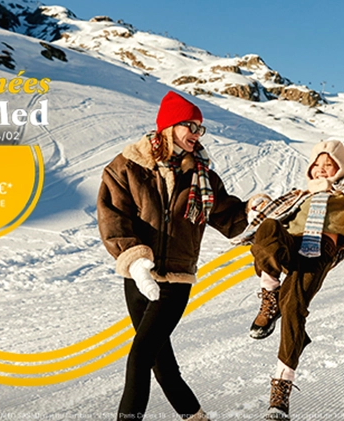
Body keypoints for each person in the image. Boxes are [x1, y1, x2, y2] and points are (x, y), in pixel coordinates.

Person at [98, 91, 258, 421]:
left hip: (176, 279)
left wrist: (250, 209)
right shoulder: (128, 167)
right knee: (161, 362)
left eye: (200, 130)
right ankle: (196, 417)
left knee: (141, 355)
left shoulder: (202, 176)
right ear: (170, 126)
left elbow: (228, 220)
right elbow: (113, 215)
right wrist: (136, 259)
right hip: (138, 276)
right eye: (191, 127)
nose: (197, 136)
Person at [232, 138, 344, 420]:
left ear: (340, 167)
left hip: (319, 250)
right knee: (268, 228)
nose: (322, 170)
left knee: (293, 306)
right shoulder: (299, 194)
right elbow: (262, 217)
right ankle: (270, 296)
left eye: (329, 165)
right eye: (318, 165)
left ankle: (280, 393)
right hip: (291, 243)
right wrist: (256, 206)